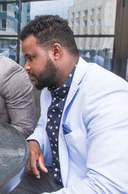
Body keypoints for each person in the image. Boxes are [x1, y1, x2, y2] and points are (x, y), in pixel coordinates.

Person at [15, 15, 128, 193]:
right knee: (1, 183)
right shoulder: (49, 88)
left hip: (86, 187)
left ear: (56, 52)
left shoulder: (107, 94)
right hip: (56, 178)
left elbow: (108, 186)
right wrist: (35, 141)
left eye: (30, 58)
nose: (26, 67)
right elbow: (45, 124)